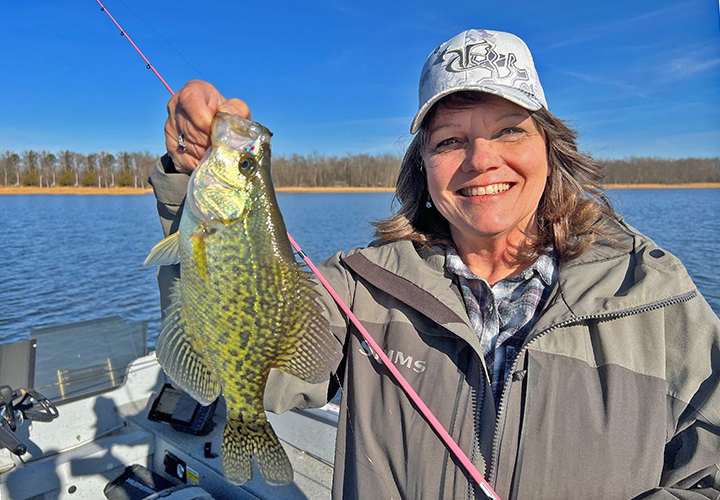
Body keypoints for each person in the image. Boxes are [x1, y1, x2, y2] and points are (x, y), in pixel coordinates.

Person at [149, 29, 720, 499]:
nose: (481, 160)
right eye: (449, 140)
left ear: (550, 147)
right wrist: (185, 184)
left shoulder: (655, 297)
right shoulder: (359, 288)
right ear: (422, 163)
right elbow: (257, 369)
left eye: (509, 131)